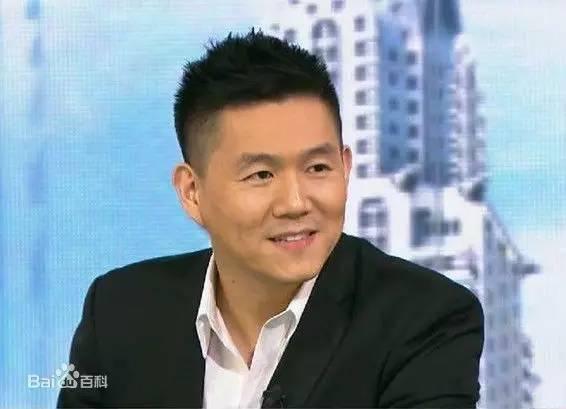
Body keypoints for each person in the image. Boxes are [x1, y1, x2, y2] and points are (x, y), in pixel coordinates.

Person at [57, 29, 484, 408]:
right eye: (261, 175)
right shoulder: (118, 312)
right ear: (192, 192)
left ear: (346, 167)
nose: (295, 203)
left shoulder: (426, 319)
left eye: (318, 168)